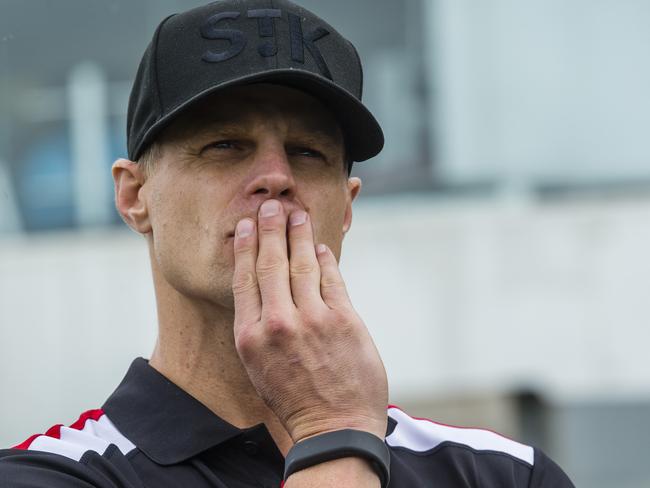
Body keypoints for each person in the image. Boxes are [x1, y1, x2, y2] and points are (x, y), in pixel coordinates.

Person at [0, 1, 575, 487]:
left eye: (308, 152)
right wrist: (333, 434)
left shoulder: (498, 474)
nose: (276, 176)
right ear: (134, 195)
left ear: (346, 206)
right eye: (225, 145)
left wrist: (338, 425)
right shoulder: (50, 475)